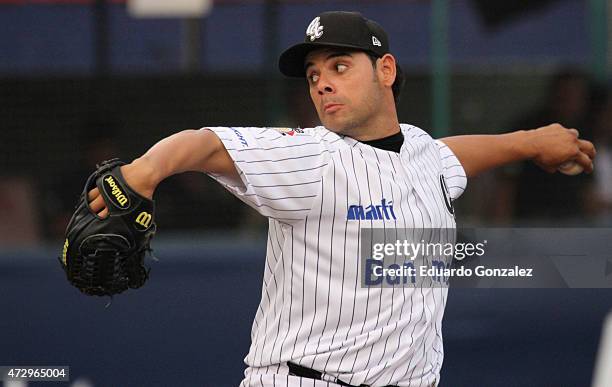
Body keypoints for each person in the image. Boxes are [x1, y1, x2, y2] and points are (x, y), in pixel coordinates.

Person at [86, 11, 595, 387]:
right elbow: (206, 142)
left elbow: (451, 157)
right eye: (313, 76)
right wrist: (142, 175)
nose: (322, 83)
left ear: (386, 70)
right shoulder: (312, 157)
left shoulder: (421, 150)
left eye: (339, 66)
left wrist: (531, 143)